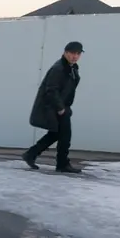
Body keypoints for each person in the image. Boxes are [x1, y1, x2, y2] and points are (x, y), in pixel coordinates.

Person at [22, 41, 84, 173]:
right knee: (65, 136)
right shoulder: (59, 68)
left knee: (56, 134)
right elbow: (51, 90)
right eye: (73, 53)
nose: (75, 56)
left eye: (78, 54)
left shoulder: (71, 68)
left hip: (62, 107)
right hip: (56, 107)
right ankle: (62, 164)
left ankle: (31, 154)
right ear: (65, 53)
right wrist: (60, 108)